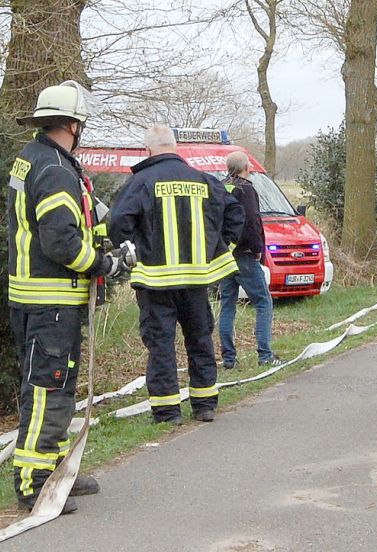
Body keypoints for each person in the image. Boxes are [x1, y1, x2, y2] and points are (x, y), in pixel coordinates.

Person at [8, 81, 128, 513]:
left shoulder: (35, 159)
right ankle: (35, 481)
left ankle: (53, 468)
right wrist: (104, 265)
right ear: (73, 124)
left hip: (38, 300)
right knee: (48, 390)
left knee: (53, 390)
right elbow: (60, 242)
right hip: (51, 303)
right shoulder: (55, 169)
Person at [109, 124, 244, 424]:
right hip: (196, 278)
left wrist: (133, 251)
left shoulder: (140, 182)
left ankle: (168, 412)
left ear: (148, 150)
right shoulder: (203, 180)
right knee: (199, 339)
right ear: (175, 147)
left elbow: (118, 222)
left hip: (155, 281)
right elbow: (236, 212)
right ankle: (205, 404)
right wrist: (222, 247)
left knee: (161, 344)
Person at [218, 151, 281, 369]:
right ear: (247, 167)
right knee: (264, 302)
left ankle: (228, 359)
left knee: (227, 305)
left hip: (225, 257)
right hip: (244, 255)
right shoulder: (247, 189)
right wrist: (257, 249)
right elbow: (253, 222)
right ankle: (265, 355)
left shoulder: (220, 187)